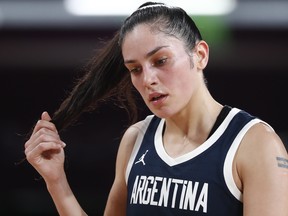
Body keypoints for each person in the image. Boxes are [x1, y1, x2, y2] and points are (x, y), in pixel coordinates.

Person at [24, 1, 288, 216]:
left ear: (200, 55)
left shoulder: (255, 144)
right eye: (135, 69)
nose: (148, 79)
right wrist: (56, 182)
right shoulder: (136, 139)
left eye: (160, 60)